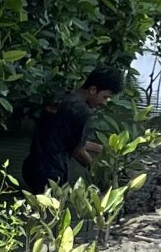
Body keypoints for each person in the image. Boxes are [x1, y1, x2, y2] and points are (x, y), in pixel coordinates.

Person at [20, 65, 124, 193]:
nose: (105, 103)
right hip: (52, 174)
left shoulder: (61, 97)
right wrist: (99, 175)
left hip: (30, 167)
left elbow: (62, 138)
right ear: (93, 90)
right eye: (105, 97)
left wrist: (100, 149)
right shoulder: (82, 110)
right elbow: (78, 152)